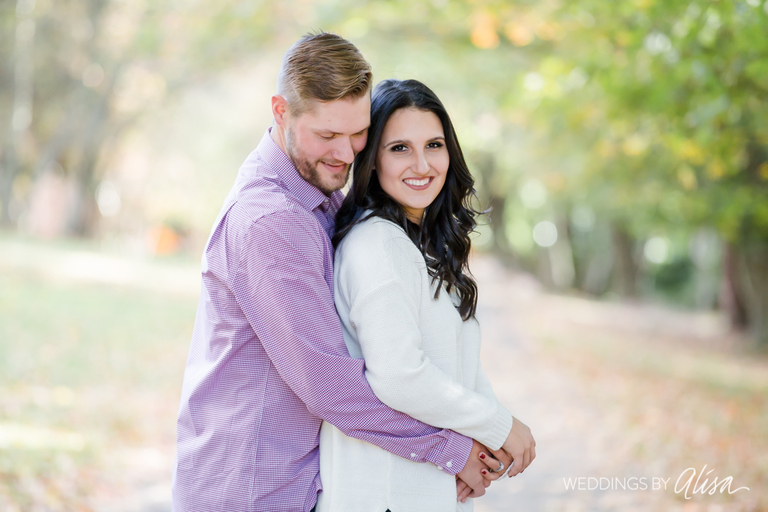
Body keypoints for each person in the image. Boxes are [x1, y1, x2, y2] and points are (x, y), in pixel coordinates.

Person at [171, 33, 526, 512]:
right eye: (327, 135)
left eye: (358, 133)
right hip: (252, 488)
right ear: (280, 112)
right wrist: (450, 449)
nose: (346, 152)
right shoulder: (273, 219)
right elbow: (331, 387)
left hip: (291, 481)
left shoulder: (319, 194)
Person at [315, 79, 535, 512]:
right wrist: (498, 425)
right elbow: (399, 374)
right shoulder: (377, 244)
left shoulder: (419, 244)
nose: (421, 163)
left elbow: (457, 365)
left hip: (422, 490)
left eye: (433, 144)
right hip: (382, 493)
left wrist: (488, 443)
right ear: (372, 159)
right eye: (399, 148)